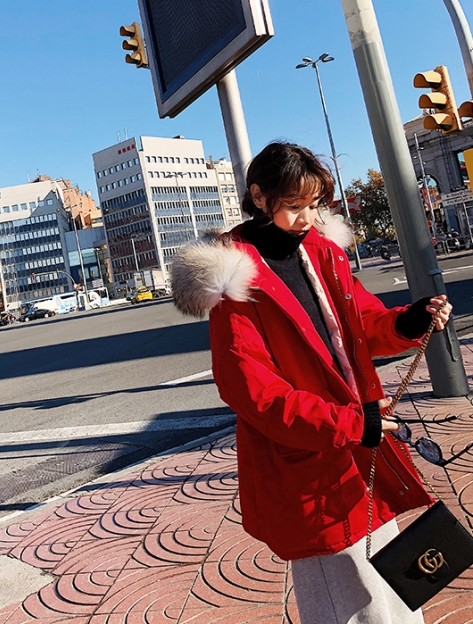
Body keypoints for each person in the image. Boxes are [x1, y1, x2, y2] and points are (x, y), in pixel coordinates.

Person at [171, 142, 452, 624]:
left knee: (392, 584)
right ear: (260, 198)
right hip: (305, 459)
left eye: (315, 204)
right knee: (346, 597)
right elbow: (251, 388)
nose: (308, 216)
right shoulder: (233, 279)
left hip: (358, 443)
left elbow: (360, 323)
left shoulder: (320, 252)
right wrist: (345, 423)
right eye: (295, 206)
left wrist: (406, 321)